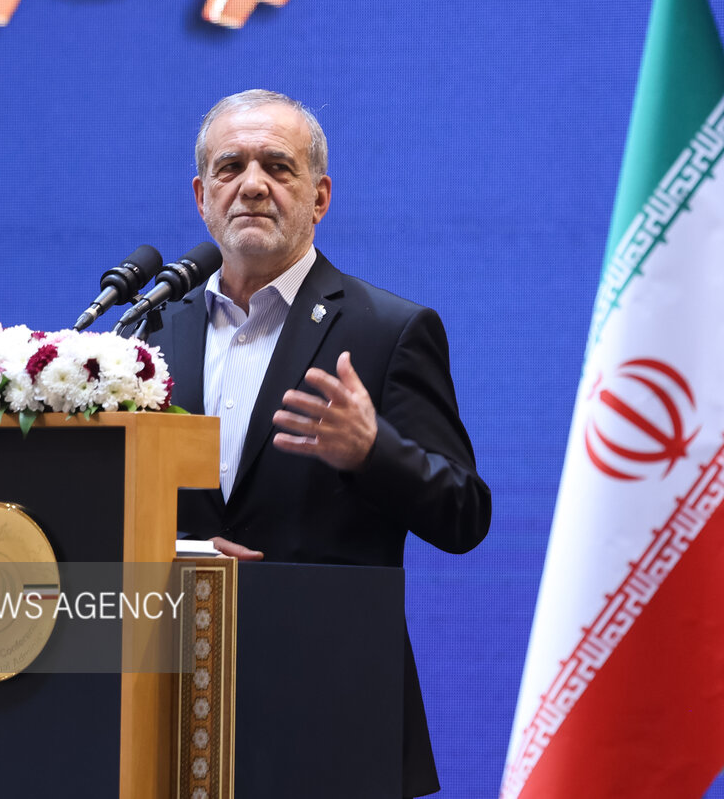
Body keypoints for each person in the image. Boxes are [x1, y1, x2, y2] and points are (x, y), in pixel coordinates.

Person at [147, 89, 491, 797]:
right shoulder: (154, 333)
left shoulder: (387, 329)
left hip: (334, 710)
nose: (252, 185)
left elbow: (464, 514)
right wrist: (183, 552)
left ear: (319, 197)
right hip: (176, 701)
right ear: (202, 197)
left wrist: (373, 451)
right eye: (230, 167)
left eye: (278, 166)